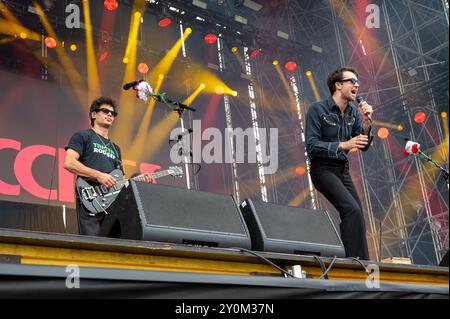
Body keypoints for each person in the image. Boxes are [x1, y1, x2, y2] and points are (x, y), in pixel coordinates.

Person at [305, 67, 373, 260]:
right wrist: (344, 145)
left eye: (357, 82)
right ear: (338, 85)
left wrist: (367, 125)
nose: (356, 85)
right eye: (352, 81)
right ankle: (353, 263)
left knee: (357, 213)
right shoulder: (318, 110)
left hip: (342, 170)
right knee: (351, 209)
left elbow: (363, 144)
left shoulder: (352, 112)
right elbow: (311, 146)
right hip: (323, 169)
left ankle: (362, 262)